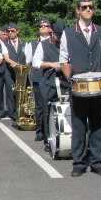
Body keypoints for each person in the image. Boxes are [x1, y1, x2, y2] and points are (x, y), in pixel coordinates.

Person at [59, 0, 101, 177]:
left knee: (98, 124)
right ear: (78, 10)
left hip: (97, 87)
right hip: (78, 86)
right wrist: (71, 78)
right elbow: (63, 60)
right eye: (84, 7)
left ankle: (97, 162)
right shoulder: (69, 33)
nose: (88, 10)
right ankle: (79, 162)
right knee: (79, 125)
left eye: (91, 7)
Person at [30, 19, 68, 152]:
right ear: (52, 32)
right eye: (57, 35)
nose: (59, 38)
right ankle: (48, 140)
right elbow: (35, 62)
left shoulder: (67, 42)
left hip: (64, 82)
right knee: (47, 111)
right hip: (49, 82)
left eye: (61, 36)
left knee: (66, 111)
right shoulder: (44, 44)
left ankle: (65, 138)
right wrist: (51, 64)